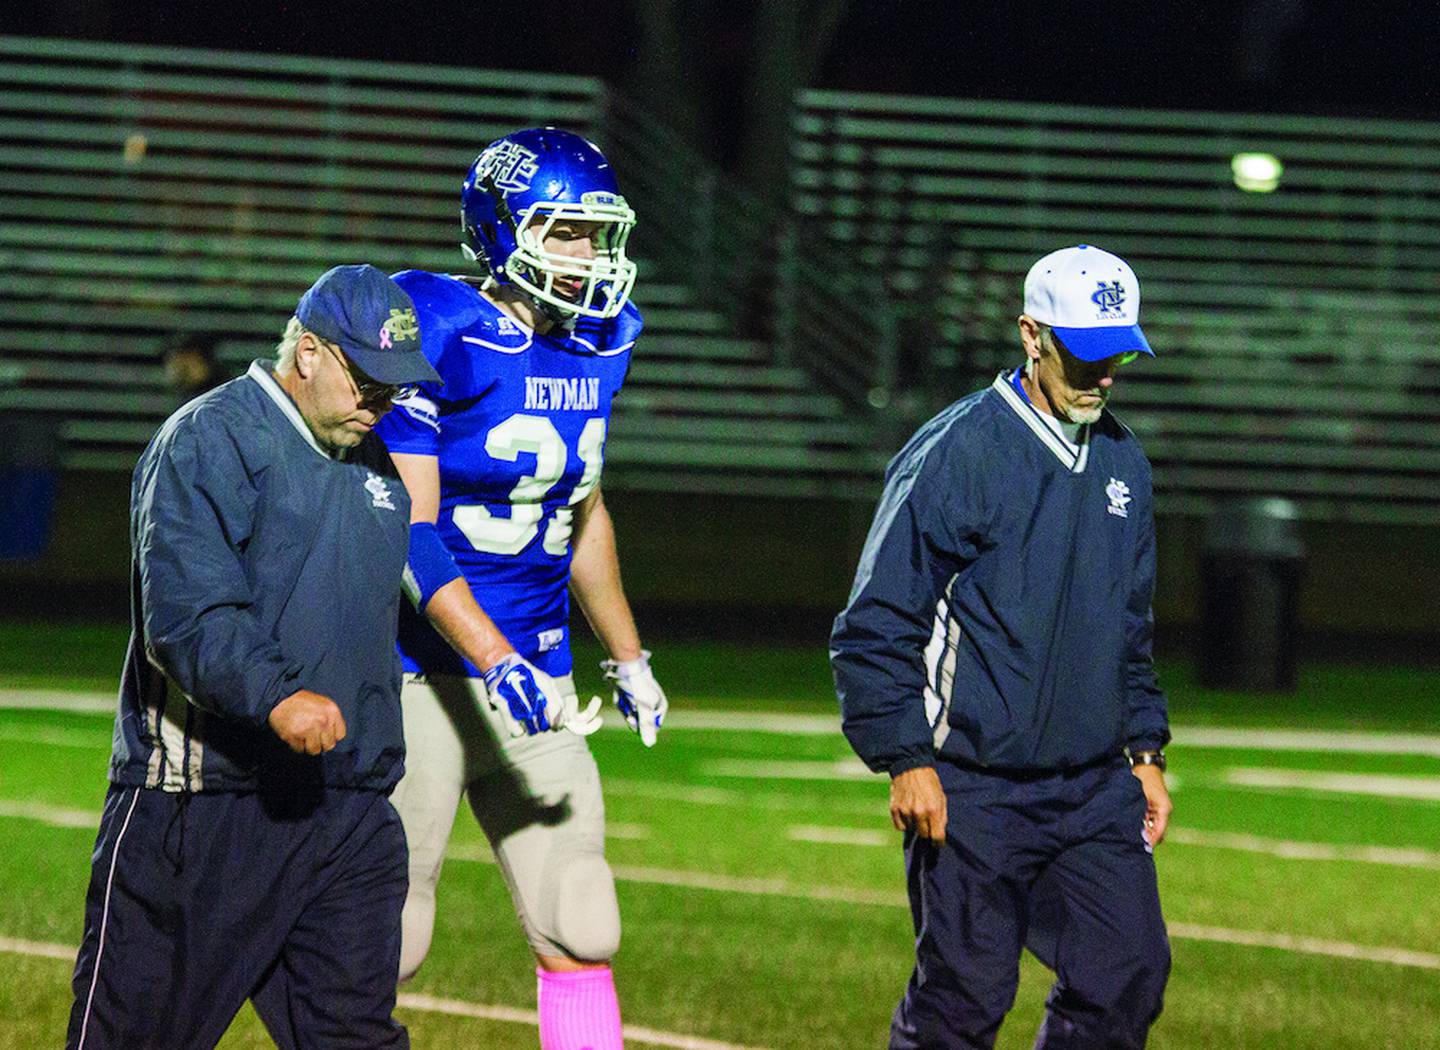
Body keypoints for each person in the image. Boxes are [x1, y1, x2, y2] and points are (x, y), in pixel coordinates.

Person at [67, 264, 442, 1050]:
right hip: (207, 803)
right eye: (369, 381)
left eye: (395, 387)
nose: (383, 404)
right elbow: (186, 612)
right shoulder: (210, 437)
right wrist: (276, 695)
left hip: (345, 809)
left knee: (355, 1040)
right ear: (308, 353)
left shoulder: (371, 467)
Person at [831, 244, 1174, 1050]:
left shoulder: (1125, 459)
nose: (1104, 375)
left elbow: (1129, 627)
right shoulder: (958, 451)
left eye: (1118, 352)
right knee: (964, 999)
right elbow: (877, 621)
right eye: (1086, 354)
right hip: (972, 788)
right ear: (1031, 335)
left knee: (1126, 975)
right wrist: (906, 758)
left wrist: (1145, 747)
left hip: (1093, 790)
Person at [374, 127, 667, 1050]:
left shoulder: (600, 341)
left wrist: (630, 659)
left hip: (534, 672)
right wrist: (491, 658)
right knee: (388, 936)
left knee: (580, 916)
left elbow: (582, 510)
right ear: (502, 228)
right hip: (416, 670)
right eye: (566, 234)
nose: (589, 258)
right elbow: (409, 532)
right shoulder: (439, 327)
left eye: (597, 236)